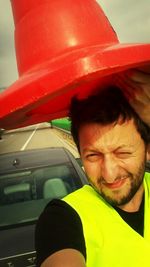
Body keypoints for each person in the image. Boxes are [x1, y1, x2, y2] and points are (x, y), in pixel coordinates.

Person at [35, 67, 150, 267]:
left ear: (147, 149)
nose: (109, 174)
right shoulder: (63, 218)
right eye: (93, 156)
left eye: (122, 153)